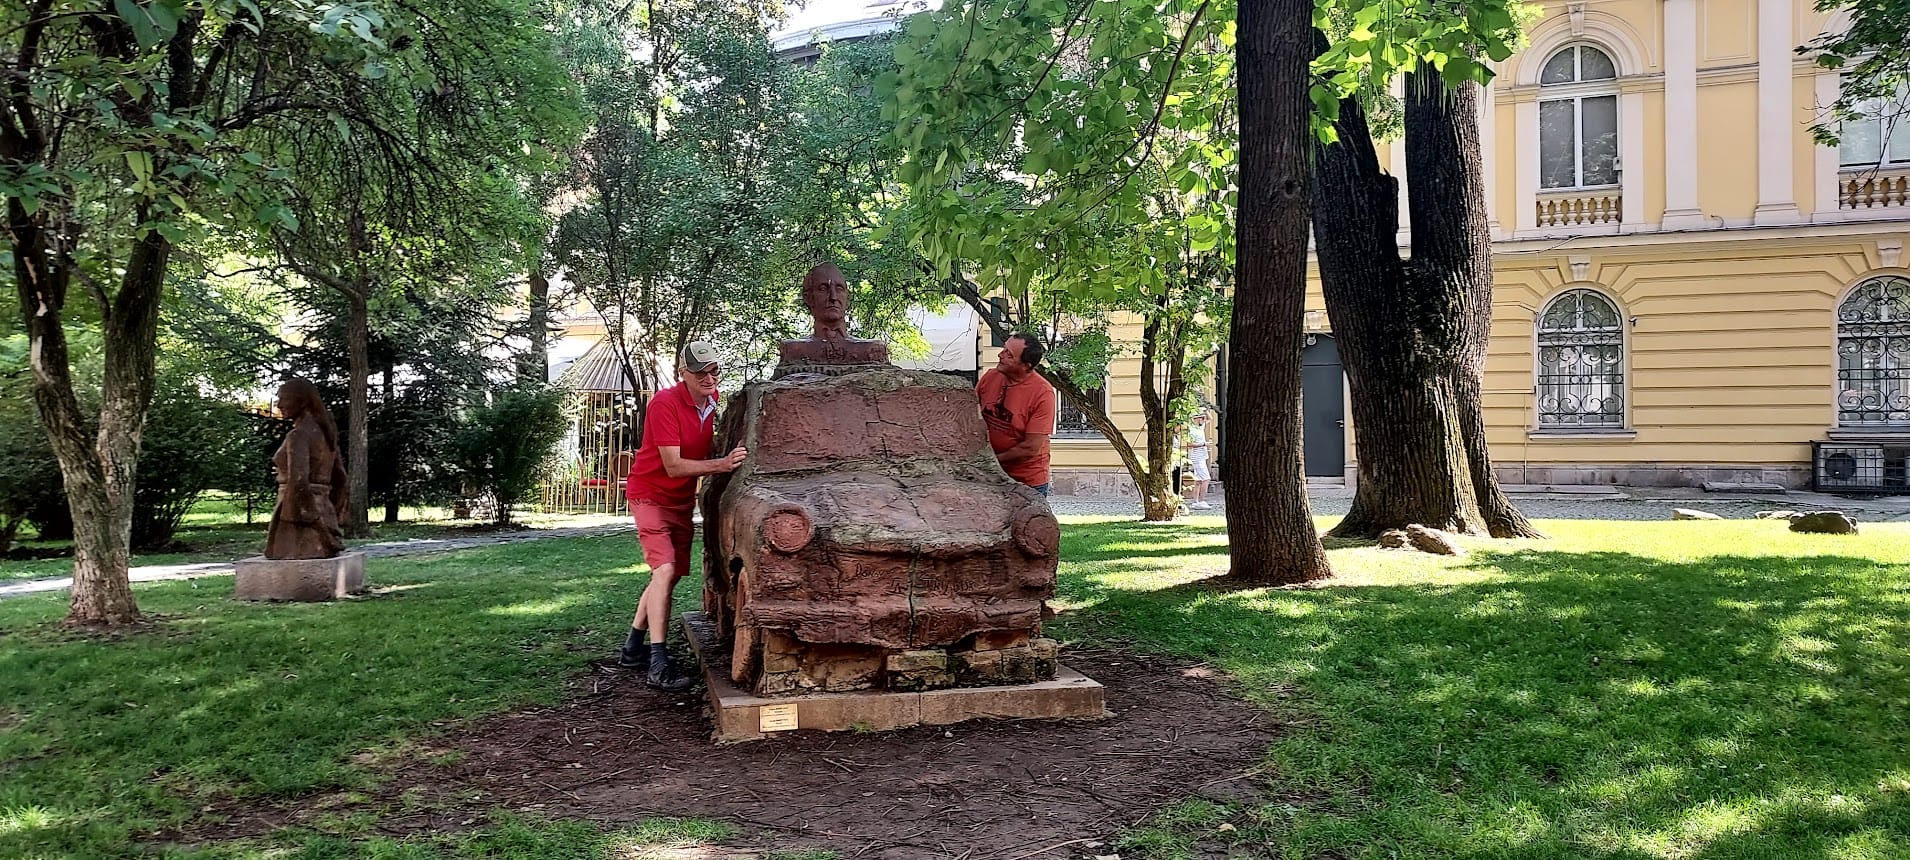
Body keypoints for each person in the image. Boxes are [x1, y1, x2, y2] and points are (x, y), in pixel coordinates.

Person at [618, 340, 748, 691]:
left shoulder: (712, 400)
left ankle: (633, 647)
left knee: (670, 576)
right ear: (683, 373)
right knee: (664, 570)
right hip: (650, 496)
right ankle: (658, 663)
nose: (709, 378)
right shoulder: (665, 404)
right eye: (700, 372)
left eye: (714, 370)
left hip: (679, 502)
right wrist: (722, 465)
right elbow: (673, 466)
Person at [265, 378, 350, 560]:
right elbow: (341, 480)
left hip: (298, 517)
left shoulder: (298, 435)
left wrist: (311, 519)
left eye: (284, 399)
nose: (279, 405)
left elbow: (299, 481)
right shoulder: (326, 435)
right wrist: (331, 516)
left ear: (303, 402)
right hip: (322, 510)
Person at [976, 333, 1057, 495]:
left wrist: (991, 460)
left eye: (1009, 354)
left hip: (1026, 481)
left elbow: (1030, 448)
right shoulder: (990, 377)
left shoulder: (1042, 393)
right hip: (990, 475)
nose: (1000, 355)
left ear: (1026, 365)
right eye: (1003, 349)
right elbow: (967, 411)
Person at [1181, 411, 1213, 510]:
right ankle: (1202, 501)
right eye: (1202, 418)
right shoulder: (1191, 430)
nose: (1203, 420)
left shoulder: (1200, 427)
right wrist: (1204, 444)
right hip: (1197, 458)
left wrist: (1205, 409)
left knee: (1198, 481)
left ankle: (1195, 502)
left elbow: (1210, 419)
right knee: (1206, 479)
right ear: (1196, 419)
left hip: (1201, 457)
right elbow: (1189, 444)